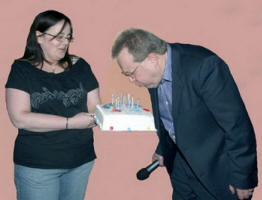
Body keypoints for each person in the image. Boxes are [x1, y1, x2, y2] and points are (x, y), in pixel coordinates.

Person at [111, 28, 258, 200]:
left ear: (152, 59)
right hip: (181, 169)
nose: (131, 80)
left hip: (218, 173)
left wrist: (243, 177)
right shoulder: (154, 75)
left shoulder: (204, 66)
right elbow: (171, 116)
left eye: (131, 73)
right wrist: (163, 149)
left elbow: (237, 125)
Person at [5, 10, 101, 200]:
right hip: (37, 166)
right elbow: (20, 118)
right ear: (38, 37)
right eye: (58, 37)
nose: (65, 43)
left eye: (68, 37)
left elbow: (95, 107)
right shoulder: (21, 70)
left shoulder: (81, 66)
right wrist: (70, 122)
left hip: (80, 161)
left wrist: (105, 116)